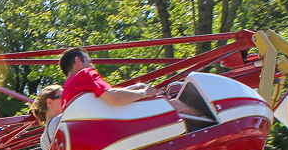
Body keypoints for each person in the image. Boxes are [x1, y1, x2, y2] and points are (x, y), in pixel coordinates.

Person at [59, 47, 201, 116]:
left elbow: (103, 99)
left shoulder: (66, 94)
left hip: (103, 124)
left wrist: (135, 89)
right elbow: (112, 97)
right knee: (173, 103)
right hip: (121, 121)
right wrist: (144, 93)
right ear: (78, 61)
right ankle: (210, 124)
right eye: (89, 62)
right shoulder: (84, 74)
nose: (93, 66)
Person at [29, 84, 63, 150]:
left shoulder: (43, 139)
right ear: (50, 102)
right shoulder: (60, 120)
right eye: (62, 96)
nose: (66, 99)